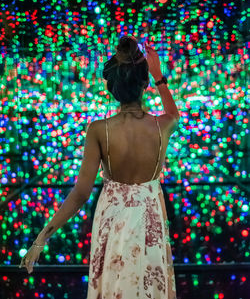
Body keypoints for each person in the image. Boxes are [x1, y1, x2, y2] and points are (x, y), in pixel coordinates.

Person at [19, 35, 180, 299]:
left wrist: (41, 239)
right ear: (145, 84)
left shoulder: (99, 130)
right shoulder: (162, 126)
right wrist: (159, 77)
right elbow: (174, 114)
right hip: (149, 227)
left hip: (111, 225)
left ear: (112, 88)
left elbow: (81, 193)